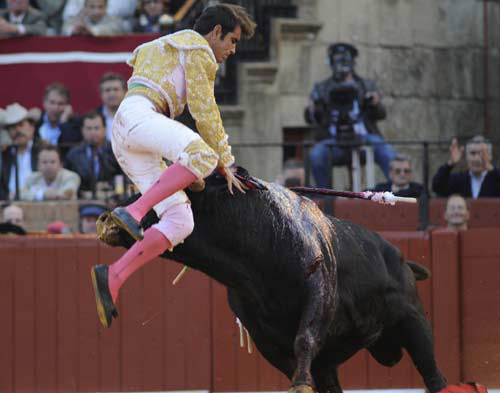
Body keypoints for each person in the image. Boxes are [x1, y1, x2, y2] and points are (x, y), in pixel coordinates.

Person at [91, 3, 256, 328]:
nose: (232, 50)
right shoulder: (197, 47)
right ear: (216, 32)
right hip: (142, 116)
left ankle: (113, 275)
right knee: (205, 155)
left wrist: (189, 175)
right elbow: (204, 110)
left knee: (181, 222)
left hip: (127, 130)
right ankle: (134, 212)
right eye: (232, 40)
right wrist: (227, 162)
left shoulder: (164, 44)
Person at [305, 43, 396, 188]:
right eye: (337, 60)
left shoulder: (366, 85)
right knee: (316, 155)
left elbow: (381, 114)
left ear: (352, 62)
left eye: (345, 60)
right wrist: (312, 109)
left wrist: (375, 103)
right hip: (333, 140)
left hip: (364, 138)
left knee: (387, 153)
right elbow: (310, 119)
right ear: (331, 62)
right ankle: (325, 197)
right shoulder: (321, 88)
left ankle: (398, 190)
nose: (341, 65)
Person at [64, 111, 120, 198]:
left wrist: (108, 185)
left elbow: (124, 178)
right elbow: (68, 182)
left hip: (113, 201)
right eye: (89, 128)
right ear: (82, 130)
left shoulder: (116, 151)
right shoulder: (73, 155)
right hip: (82, 203)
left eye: (96, 128)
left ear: (105, 129)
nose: (93, 132)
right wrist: (90, 191)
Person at [432, 135, 500, 198]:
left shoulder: (496, 178)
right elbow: (437, 186)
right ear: (466, 157)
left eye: (481, 154)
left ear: (490, 156)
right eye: (472, 153)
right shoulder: (459, 179)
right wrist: (450, 163)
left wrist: (491, 168)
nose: (476, 158)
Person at [1, 103, 40, 200]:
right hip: (9, 207)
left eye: (21, 125)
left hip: (39, 203)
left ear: (32, 127)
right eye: (12, 127)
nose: (17, 130)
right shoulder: (4, 154)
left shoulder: (42, 150)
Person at [36, 82, 82, 158]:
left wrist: (64, 123)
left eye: (60, 104)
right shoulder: (36, 123)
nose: (55, 108)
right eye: (52, 102)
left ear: (67, 106)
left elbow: (71, 149)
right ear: (44, 103)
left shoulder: (75, 124)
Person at [96, 73, 127, 142]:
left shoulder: (134, 115)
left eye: (116, 89)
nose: (112, 94)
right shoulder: (93, 116)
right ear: (101, 94)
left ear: (125, 92)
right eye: (107, 90)